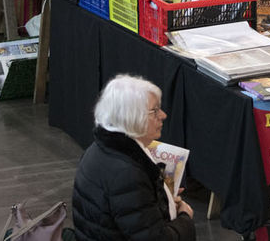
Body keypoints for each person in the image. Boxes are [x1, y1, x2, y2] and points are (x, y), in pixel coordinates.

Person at [71, 74, 195, 239]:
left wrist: (163, 200)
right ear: (132, 118)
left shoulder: (99, 149)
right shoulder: (127, 174)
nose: (163, 115)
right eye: (155, 110)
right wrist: (184, 218)